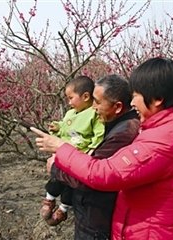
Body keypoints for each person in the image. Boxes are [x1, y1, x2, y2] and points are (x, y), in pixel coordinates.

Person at [31, 57, 173, 240]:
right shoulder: (167, 128)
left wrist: (61, 149)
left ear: (158, 99)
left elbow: (106, 173)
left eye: (136, 95)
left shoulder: (165, 139)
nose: (133, 102)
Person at [51, 74, 140, 239]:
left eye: (97, 102)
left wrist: (55, 167)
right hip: (91, 214)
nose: (93, 107)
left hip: (97, 220)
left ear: (118, 107)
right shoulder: (111, 123)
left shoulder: (124, 133)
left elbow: (92, 176)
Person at [40, 75, 105, 226]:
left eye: (71, 98)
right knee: (56, 178)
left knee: (71, 186)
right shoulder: (70, 113)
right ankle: (49, 199)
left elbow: (99, 133)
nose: (68, 102)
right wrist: (57, 126)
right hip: (64, 153)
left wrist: (92, 149)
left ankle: (63, 209)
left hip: (79, 156)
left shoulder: (94, 114)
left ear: (86, 96)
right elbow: (65, 126)